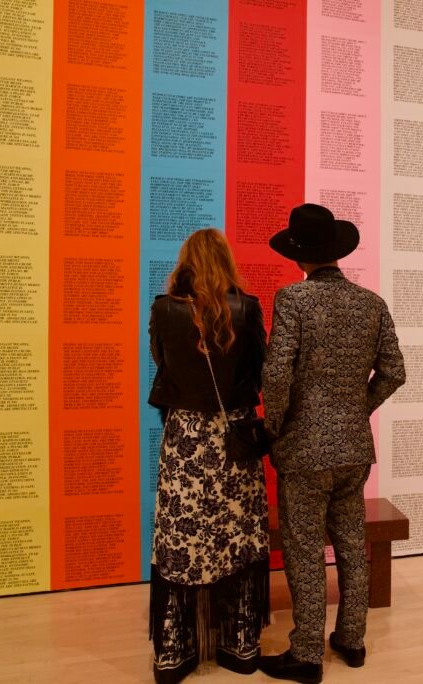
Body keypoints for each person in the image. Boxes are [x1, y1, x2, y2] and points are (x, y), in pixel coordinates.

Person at [258, 204, 406, 683]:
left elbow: (277, 372)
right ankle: (352, 639)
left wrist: (274, 425)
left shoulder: (293, 299)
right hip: (353, 449)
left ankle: (305, 654)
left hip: (303, 449)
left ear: (300, 256)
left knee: (303, 550)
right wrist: (357, 409)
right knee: (349, 543)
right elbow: (395, 372)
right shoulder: (371, 303)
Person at [147, 228, 271, 684]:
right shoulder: (248, 307)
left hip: (185, 438)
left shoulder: (163, 309)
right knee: (235, 535)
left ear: (186, 263)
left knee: (182, 540)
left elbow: (161, 362)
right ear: (226, 262)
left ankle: (175, 650)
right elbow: (259, 372)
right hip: (233, 435)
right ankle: (240, 644)